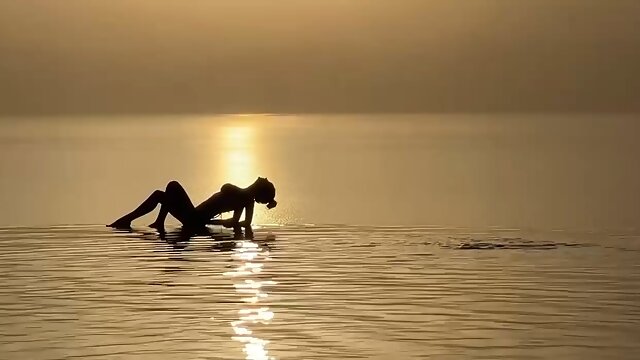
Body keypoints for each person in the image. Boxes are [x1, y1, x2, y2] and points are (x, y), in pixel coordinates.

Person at [107, 177, 277, 238]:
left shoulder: (245, 198)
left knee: (171, 186)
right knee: (162, 194)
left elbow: (241, 223)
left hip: (194, 218)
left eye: (261, 183)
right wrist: (217, 223)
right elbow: (235, 220)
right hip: (195, 217)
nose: (259, 179)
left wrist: (212, 223)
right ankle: (148, 221)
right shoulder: (243, 196)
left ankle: (143, 221)